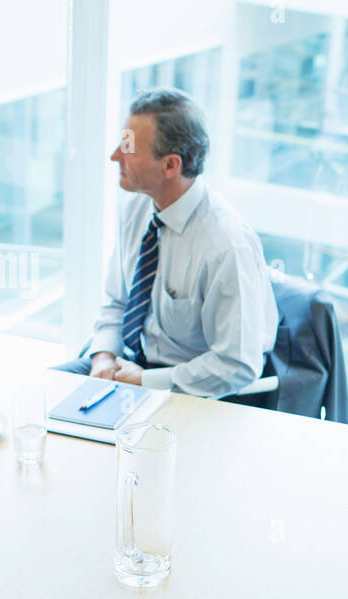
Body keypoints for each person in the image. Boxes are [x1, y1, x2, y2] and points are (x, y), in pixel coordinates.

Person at [56, 88, 277, 396]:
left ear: (171, 165)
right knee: (37, 396)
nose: (114, 156)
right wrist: (103, 357)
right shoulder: (137, 207)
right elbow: (116, 303)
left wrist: (146, 382)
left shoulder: (227, 245)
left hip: (191, 389)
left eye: (128, 148)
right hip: (128, 366)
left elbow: (237, 364)